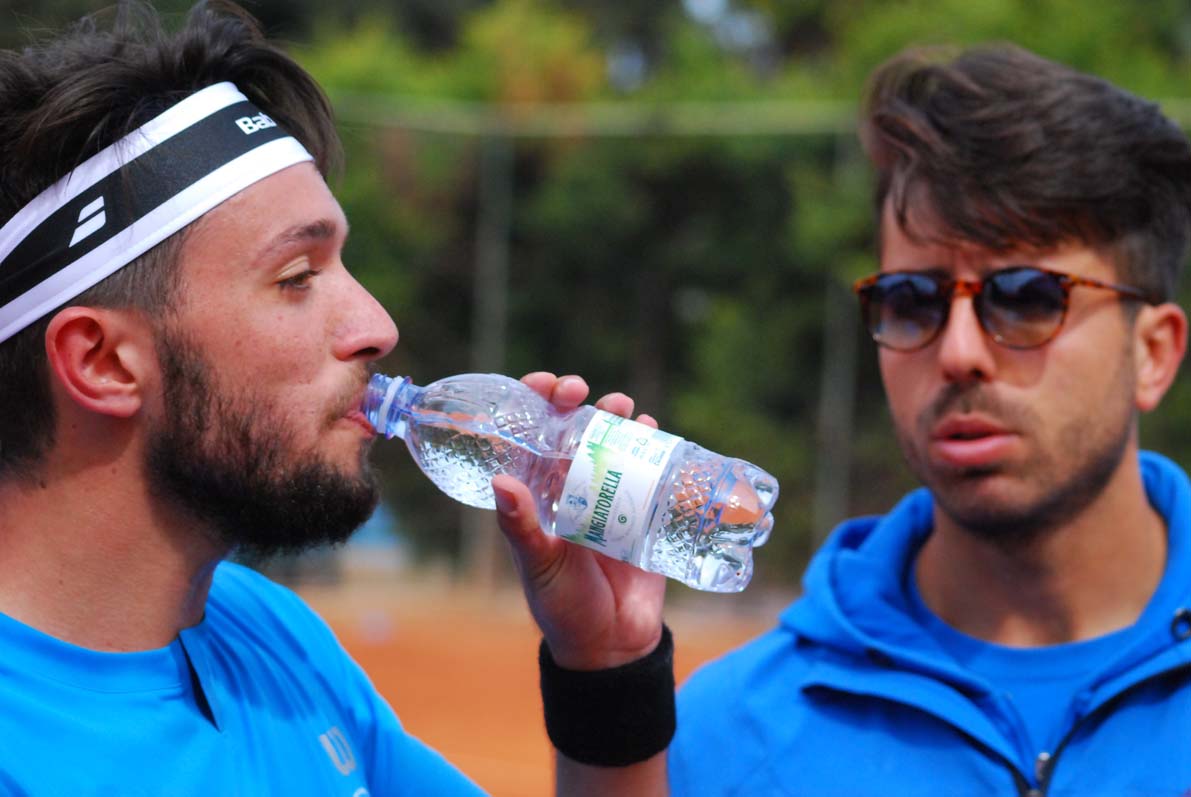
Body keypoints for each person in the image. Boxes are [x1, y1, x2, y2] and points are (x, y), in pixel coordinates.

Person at [0, 2, 667, 794]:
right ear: (104, 361)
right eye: (296, 278)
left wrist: (605, 673)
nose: (377, 326)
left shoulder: (267, 634)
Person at [665, 43, 1191, 795]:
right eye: (911, 300)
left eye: (1026, 297)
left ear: (1153, 353)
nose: (959, 353)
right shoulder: (722, 743)